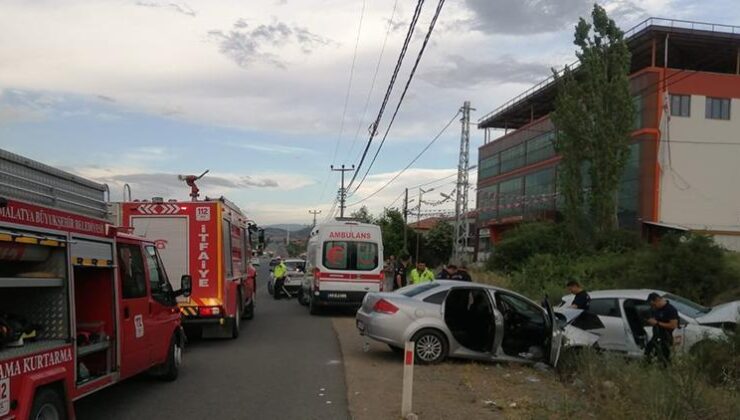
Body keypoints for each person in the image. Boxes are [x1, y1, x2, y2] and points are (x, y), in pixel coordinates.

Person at [645, 293, 679, 365]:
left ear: (658, 300)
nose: (653, 307)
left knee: (664, 358)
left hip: (666, 337)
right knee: (647, 353)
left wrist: (657, 323)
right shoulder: (656, 309)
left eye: (653, 305)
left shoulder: (670, 310)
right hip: (656, 336)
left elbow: (673, 325)